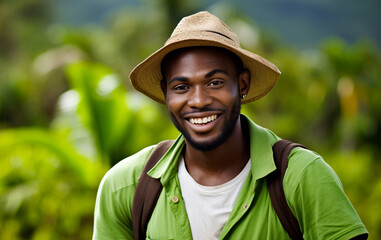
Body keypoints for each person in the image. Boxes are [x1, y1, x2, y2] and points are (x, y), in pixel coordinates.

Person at [92, 11, 368, 240]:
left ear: (243, 84)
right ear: (166, 93)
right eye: (181, 87)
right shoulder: (127, 187)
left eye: (215, 82)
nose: (198, 101)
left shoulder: (301, 177)